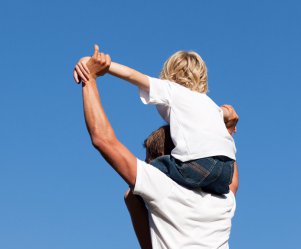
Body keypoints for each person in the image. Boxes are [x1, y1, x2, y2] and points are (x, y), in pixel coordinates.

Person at [73, 46, 245, 249]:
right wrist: (227, 131)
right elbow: (231, 173)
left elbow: (103, 139)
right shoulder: (224, 200)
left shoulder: (163, 188)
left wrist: (89, 80)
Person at [74, 46, 239, 195]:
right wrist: (229, 121)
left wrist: (96, 64)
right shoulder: (210, 104)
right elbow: (229, 113)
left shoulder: (172, 90)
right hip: (226, 171)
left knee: (148, 173)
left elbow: (132, 75)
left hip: (198, 164)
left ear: (170, 74)